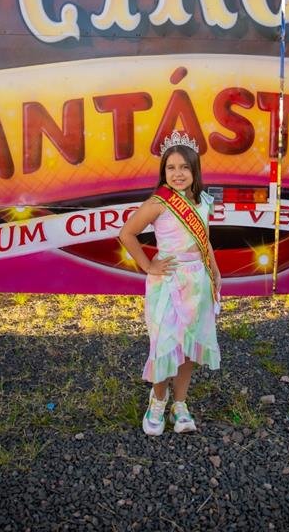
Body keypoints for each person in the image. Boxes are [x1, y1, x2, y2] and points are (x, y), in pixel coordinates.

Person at [119, 130, 222, 436]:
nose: (178, 173)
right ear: (163, 171)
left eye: (184, 167)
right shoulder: (158, 203)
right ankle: (158, 400)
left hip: (197, 282)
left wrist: (215, 270)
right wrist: (149, 265)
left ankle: (180, 403)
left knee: (190, 345)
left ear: (194, 170)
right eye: (171, 167)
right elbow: (127, 234)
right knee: (165, 344)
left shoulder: (202, 201)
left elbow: (204, 241)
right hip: (168, 282)